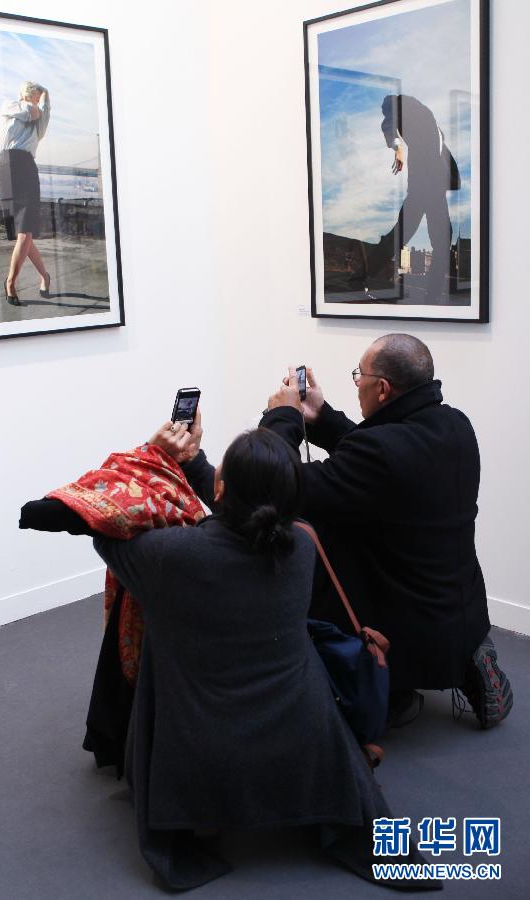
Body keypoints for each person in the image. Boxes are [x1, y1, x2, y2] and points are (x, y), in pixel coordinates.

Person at [20, 428, 438, 891]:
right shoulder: (301, 545)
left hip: (203, 747)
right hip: (302, 736)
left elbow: (103, 526)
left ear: (219, 489)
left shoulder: (170, 556)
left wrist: (152, 457)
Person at [167, 334, 512, 731]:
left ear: (382, 389)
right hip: (460, 609)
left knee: (303, 537)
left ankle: (388, 691)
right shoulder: (454, 425)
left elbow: (268, 484)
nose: (356, 383)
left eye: (359, 376)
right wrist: (323, 415)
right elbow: (377, 451)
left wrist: (283, 417)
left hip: (401, 627)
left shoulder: (378, 455)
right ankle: (466, 656)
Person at [355, 95, 460, 303]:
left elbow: (391, 124)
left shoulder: (411, 109)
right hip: (426, 185)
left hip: (430, 184)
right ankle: (433, 293)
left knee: (423, 236)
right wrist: (398, 148)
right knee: (419, 236)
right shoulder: (416, 114)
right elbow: (390, 126)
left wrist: (399, 148)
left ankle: (433, 292)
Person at [0, 81, 51, 306]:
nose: (37, 101)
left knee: (25, 232)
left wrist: (45, 97)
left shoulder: (42, 118)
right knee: (21, 232)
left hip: (26, 165)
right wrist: (32, 105)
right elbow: (29, 112)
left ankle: (10, 283)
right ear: (25, 95)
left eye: (40, 97)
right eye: (35, 96)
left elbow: (40, 113)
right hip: (4, 164)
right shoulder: (9, 105)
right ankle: (45, 276)